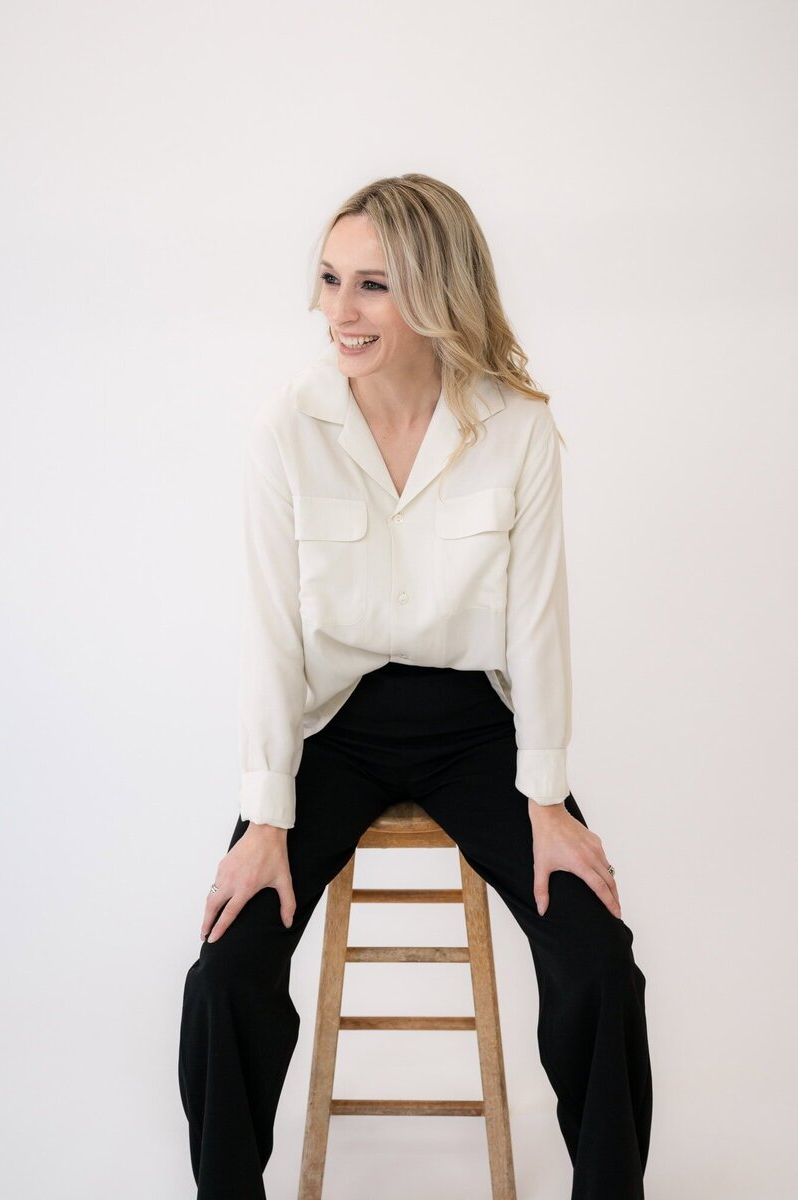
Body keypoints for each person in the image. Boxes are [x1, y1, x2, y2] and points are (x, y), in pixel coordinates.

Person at [178, 172, 654, 1200]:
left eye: (371, 287)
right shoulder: (285, 430)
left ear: (435, 294)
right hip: (332, 731)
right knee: (224, 974)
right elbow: (269, 636)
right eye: (327, 280)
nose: (336, 312)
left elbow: (537, 624)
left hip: (478, 729)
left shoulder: (516, 428)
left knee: (597, 960)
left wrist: (546, 800)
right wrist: (263, 820)